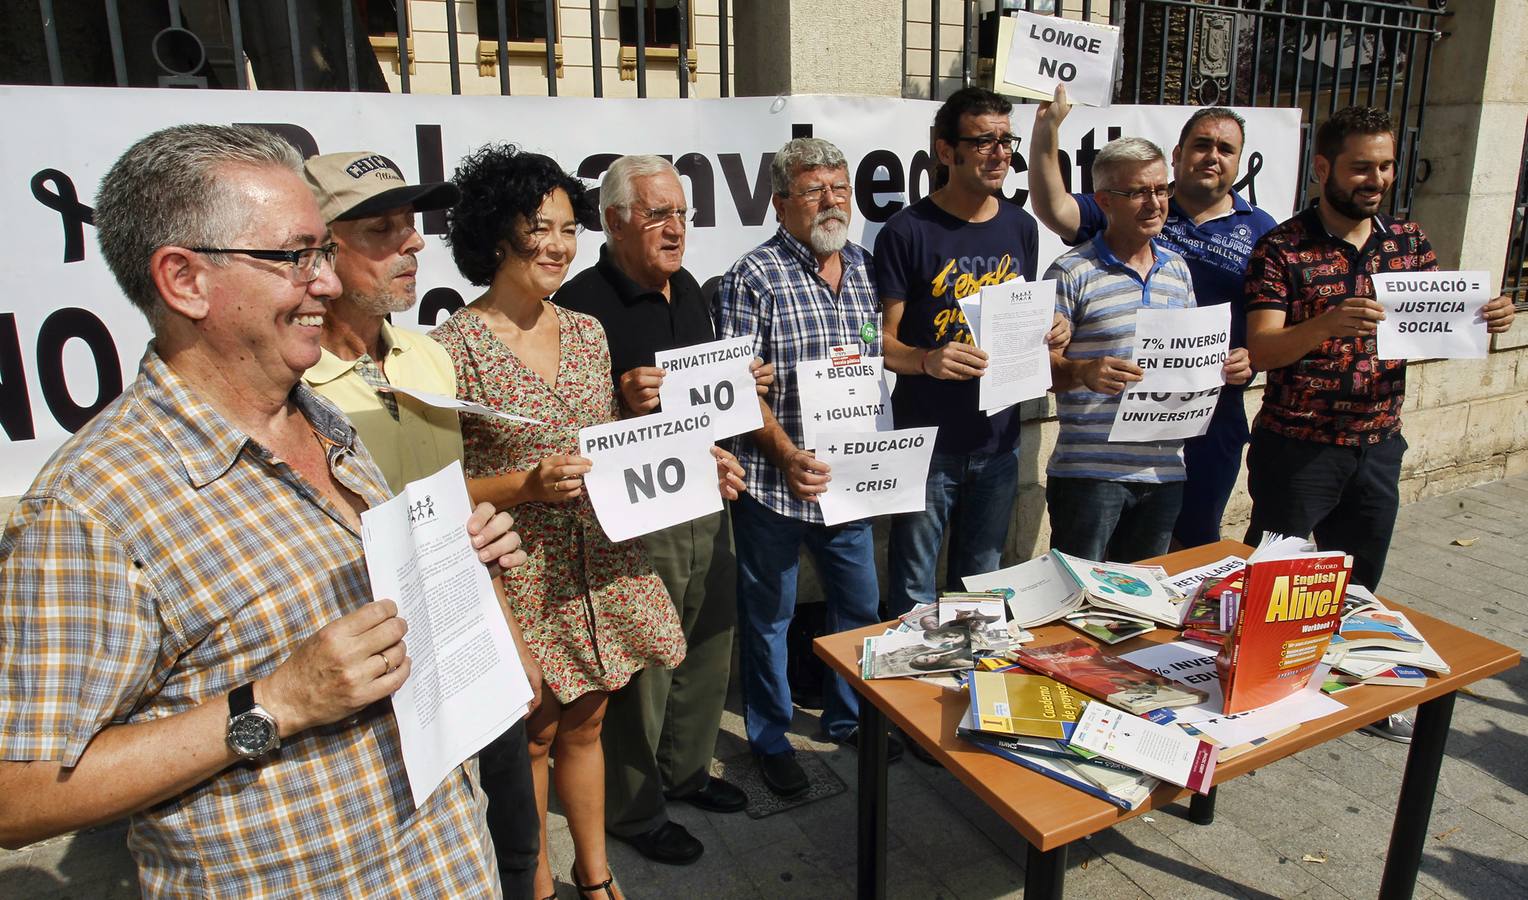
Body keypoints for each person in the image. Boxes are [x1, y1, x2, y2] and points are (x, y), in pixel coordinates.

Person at [0, 124, 527, 897]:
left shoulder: (322, 418)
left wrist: (456, 574)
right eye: (294, 257)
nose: (324, 281)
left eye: (321, 253)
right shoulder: (91, 509)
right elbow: (16, 794)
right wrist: (272, 704)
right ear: (184, 280)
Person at [431, 144, 738, 900]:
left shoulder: (586, 333)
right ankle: (534, 881)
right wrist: (526, 485)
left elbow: (617, 450)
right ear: (496, 234)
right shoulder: (450, 347)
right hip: (518, 567)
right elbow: (438, 488)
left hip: (598, 557)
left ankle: (594, 874)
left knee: (589, 724)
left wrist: (703, 464)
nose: (560, 245)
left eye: (569, 229)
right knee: (533, 735)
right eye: (541, 227)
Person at [298, 150, 543, 897]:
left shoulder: (429, 356)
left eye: (412, 226)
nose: (413, 244)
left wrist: (510, 638)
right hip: (376, 682)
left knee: (517, 846)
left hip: (473, 647)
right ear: (318, 252)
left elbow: (453, 511)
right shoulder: (289, 383)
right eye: (382, 228)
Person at [1241, 106, 1515, 742]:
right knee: (1271, 576)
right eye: (1361, 166)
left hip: (1378, 441)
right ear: (1323, 168)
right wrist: (1325, 326)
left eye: (1386, 166)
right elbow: (1262, 350)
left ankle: (1354, 680)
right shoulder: (1281, 247)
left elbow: (1435, 327)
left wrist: (1485, 315)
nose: (1376, 178)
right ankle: (1254, 686)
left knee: (1359, 578)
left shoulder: (1408, 243)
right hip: (1299, 444)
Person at [555, 155, 761, 865]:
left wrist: (736, 389)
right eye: (657, 215)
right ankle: (634, 810)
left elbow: (700, 403)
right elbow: (567, 427)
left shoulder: (693, 292)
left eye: (682, 213)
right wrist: (621, 401)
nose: (676, 228)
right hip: (638, 514)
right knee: (646, 662)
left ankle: (685, 771)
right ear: (613, 222)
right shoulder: (580, 305)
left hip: (708, 494)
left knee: (709, 640)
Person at [714, 137, 902, 800]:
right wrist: (784, 454)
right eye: (815, 191)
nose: (831, 202)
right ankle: (768, 738)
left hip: (848, 483)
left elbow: (884, 359)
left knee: (857, 602)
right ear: (781, 203)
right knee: (768, 615)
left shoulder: (865, 265)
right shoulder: (752, 277)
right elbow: (738, 389)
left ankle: (849, 719)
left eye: (839, 189)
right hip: (775, 483)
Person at [1030, 85, 1279, 548]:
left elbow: (1189, 358)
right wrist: (1083, 370)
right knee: (1080, 596)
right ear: (1104, 201)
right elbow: (1039, 369)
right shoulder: (1070, 270)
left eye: (1160, 191)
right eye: (1138, 192)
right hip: (1091, 475)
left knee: (1146, 601)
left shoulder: (1178, 269)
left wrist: (1231, 364)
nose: (1155, 203)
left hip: (1168, 468)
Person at [876, 86, 1070, 615]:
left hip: (1000, 440)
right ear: (946, 151)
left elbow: (1020, 321)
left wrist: (1049, 327)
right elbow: (881, 343)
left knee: (981, 587)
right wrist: (926, 360)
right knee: (914, 591)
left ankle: (968, 690)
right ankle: (905, 692)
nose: (1000, 153)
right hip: (927, 444)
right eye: (984, 141)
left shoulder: (1021, 226)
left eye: (1005, 141)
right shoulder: (906, 232)